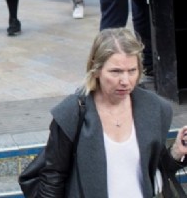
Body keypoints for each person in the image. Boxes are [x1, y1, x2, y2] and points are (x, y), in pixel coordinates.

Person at [34, 28, 187, 196]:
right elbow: (52, 177)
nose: (125, 81)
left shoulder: (156, 108)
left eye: (132, 71)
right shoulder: (72, 111)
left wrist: (176, 152)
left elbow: (154, 170)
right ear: (96, 69)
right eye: (116, 71)